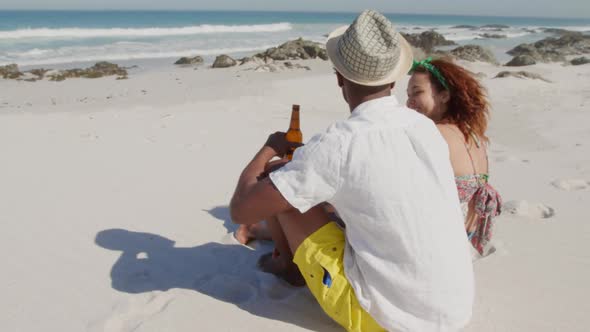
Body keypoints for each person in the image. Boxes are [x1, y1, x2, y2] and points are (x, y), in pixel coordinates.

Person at [230, 10, 474, 332]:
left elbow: (240, 208)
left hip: (391, 319)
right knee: (303, 184)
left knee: (281, 187)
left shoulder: (340, 143)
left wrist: (270, 147)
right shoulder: (424, 128)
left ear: (339, 78)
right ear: (393, 78)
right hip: (455, 309)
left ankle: (290, 269)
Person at [406, 57, 503, 257]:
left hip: (438, 244)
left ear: (444, 95)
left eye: (417, 92)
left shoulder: (434, 134)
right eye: (408, 95)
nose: (409, 102)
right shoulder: (473, 134)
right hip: (465, 241)